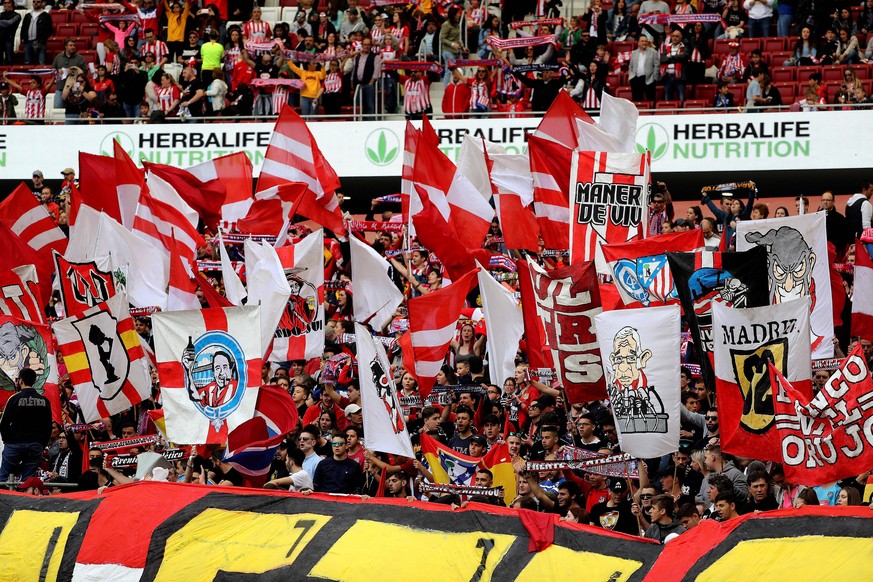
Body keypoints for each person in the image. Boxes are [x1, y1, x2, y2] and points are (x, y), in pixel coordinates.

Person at [0, 368, 52, 483]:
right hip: (35, 445)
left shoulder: (14, 399)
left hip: (15, 444)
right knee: (28, 482)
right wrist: (41, 444)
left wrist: (7, 441)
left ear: (21, 381)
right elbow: (48, 426)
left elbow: (3, 423)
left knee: (3, 479)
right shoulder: (44, 400)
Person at [628, 35, 660, 102]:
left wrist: (654, 78)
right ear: (638, 43)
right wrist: (631, 76)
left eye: (646, 41)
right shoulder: (634, 53)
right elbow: (631, 66)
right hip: (636, 79)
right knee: (637, 100)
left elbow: (657, 66)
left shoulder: (654, 52)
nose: (644, 43)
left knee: (651, 100)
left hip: (649, 79)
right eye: (642, 41)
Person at [660, 28, 688, 103]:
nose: (674, 38)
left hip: (680, 79)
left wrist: (670, 57)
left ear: (681, 38)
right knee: (667, 99)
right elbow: (663, 59)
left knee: (681, 99)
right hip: (668, 77)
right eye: (673, 36)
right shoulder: (666, 47)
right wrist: (676, 58)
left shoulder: (684, 48)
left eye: (677, 36)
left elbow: (684, 57)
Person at [20, 0, 51, 66]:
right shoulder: (28, 15)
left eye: (38, 1)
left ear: (42, 3)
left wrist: (42, 39)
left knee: (41, 62)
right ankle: (29, 76)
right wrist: (22, 38)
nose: (36, 3)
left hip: (40, 42)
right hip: (28, 42)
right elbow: (23, 28)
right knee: (27, 62)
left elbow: (49, 30)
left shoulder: (46, 15)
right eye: (34, 1)